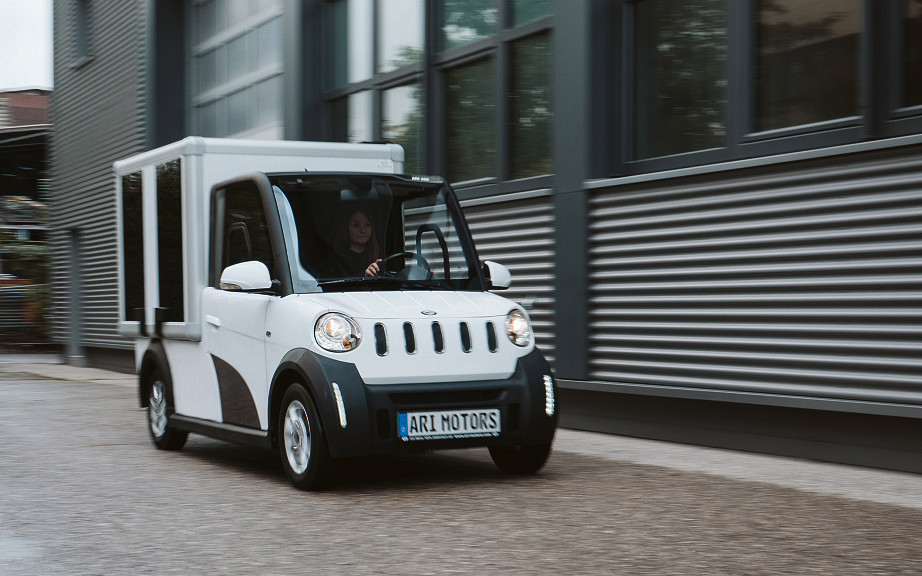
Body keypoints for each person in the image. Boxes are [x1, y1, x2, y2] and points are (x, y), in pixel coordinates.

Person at [337, 209, 382, 277]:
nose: (363, 230)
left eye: (367, 225)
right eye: (356, 225)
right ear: (346, 228)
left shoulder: (379, 255)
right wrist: (366, 277)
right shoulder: (338, 259)